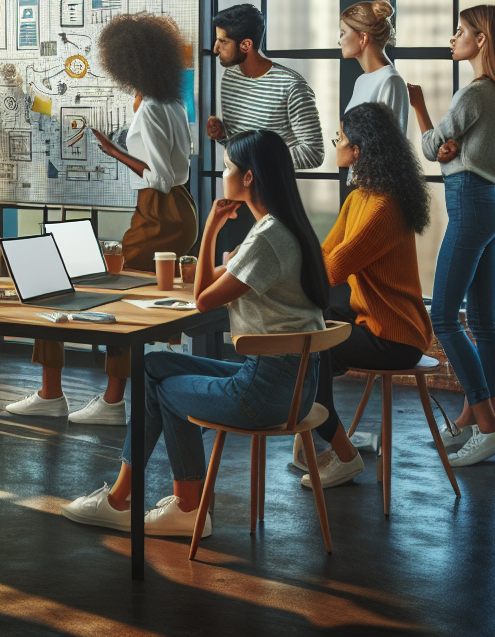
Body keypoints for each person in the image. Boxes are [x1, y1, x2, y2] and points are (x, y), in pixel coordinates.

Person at [59, 130, 328, 537]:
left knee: (161, 388)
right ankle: (157, 502)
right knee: (153, 366)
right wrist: (217, 241)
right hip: (294, 386)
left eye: (228, 167)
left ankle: (165, 505)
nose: (223, 173)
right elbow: (213, 283)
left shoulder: (266, 239)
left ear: (249, 177)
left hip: (265, 392)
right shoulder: (281, 229)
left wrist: (211, 229)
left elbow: (202, 299)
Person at [6, 14, 195, 425]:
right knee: (130, 301)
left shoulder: (150, 111)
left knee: (107, 302)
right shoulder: (172, 103)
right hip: (181, 210)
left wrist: (113, 151)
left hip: (158, 211)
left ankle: (97, 400)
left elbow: (158, 178)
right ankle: (79, 395)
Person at [294, 102, 433, 490]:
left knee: (316, 343)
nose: (336, 142)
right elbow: (326, 254)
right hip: (370, 319)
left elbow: (335, 267)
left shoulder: (386, 206)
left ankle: (342, 453)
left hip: (396, 337)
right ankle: (309, 431)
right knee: (315, 320)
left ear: (358, 150)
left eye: (340, 137)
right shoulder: (360, 196)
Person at [409, 5, 495, 467]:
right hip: (488, 204)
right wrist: (447, 148)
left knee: (443, 318)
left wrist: (420, 110)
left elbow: (432, 147)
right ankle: (474, 418)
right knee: (482, 322)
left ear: (481, 41)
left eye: (461, 32)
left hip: (470, 206)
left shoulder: (474, 93)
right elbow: (449, 151)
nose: (453, 37)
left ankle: (491, 427)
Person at [207, 3, 323, 257]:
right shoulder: (231, 78)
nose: (215, 49)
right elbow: (242, 145)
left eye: (223, 41)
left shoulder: (291, 86)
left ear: (246, 45)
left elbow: (314, 152)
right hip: (237, 201)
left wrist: (258, 164)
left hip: (273, 204)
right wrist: (223, 136)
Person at [339, 0, 408, 132]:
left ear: (363, 38)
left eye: (343, 33)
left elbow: (392, 144)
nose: (340, 41)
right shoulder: (361, 80)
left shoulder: (389, 81)